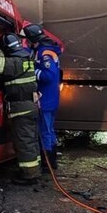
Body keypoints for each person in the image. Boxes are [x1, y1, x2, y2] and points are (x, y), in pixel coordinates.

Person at [0, 33, 41, 184]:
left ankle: (29, 175)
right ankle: (34, 171)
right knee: (31, 141)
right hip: (29, 107)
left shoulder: (14, 63)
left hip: (21, 109)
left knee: (24, 142)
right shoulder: (25, 59)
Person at [23, 24, 62, 170]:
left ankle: (47, 164)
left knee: (45, 131)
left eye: (28, 40)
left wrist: (32, 72)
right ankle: (52, 162)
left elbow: (48, 75)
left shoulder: (45, 53)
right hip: (51, 98)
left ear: (33, 40)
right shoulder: (46, 49)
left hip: (45, 99)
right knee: (50, 130)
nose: (27, 43)